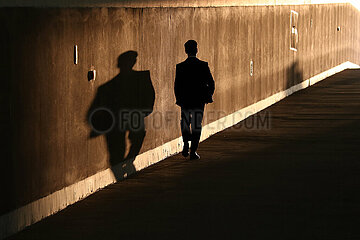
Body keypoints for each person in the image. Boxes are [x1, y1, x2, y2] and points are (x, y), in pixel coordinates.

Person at [174, 40, 215, 160]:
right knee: (197, 124)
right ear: (196, 50)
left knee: (185, 122)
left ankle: (186, 143)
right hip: (199, 100)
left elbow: (177, 85)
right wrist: (208, 96)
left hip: (185, 100)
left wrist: (179, 99)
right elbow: (211, 83)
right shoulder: (203, 65)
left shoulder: (180, 67)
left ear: (186, 51)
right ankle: (193, 151)